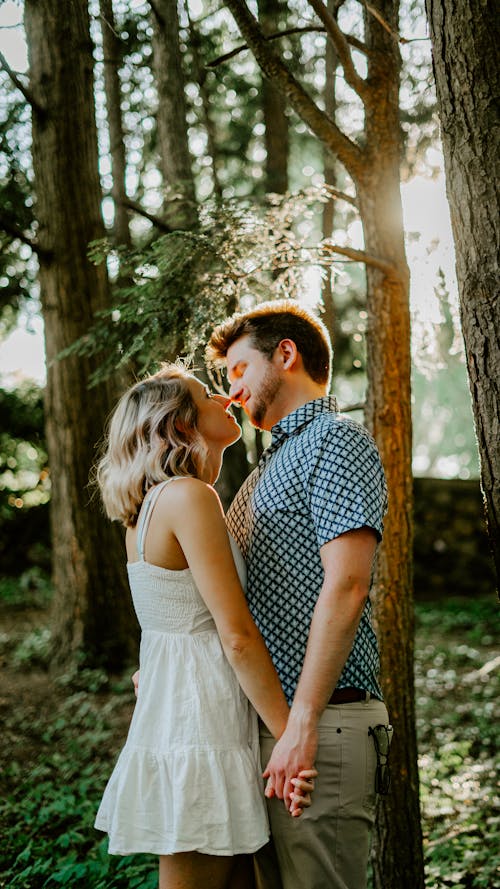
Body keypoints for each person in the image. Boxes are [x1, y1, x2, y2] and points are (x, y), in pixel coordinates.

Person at [93, 364, 315, 889]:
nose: (222, 395)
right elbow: (235, 635)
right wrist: (291, 738)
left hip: (199, 716)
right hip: (201, 728)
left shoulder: (154, 505)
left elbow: (165, 622)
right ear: (181, 423)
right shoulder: (189, 498)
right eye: (204, 393)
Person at [206, 299, 391, 889]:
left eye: (238, 370)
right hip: (271, 730)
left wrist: (302, 724)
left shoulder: (336, 441)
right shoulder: (266, 467)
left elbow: (348, 584)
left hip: (324, 727)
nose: (231, 390)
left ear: (285, 355)